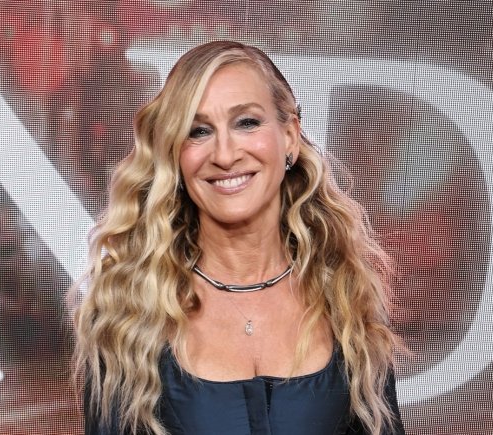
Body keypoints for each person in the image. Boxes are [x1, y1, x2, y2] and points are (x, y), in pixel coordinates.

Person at [72, 40, 405, 435]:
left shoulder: (346, 294)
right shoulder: (126, 310)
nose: (225, 155)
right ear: (175, 154)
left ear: (290, 137)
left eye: (246, 122)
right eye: (198, 131)